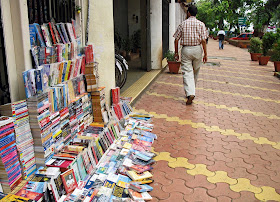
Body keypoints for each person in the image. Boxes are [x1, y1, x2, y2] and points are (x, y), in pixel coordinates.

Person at [173, 5, 207, 105]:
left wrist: (176, 53)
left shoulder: (183, 24)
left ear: (188, 13)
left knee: (187, 72)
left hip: (186, 50)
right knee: (196, 71)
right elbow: (204, 40)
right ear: (196, 13)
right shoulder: (201, 24)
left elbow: (176, 39)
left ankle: (190, 92)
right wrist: (205, 54)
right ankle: (192, 91)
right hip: (197, 49)